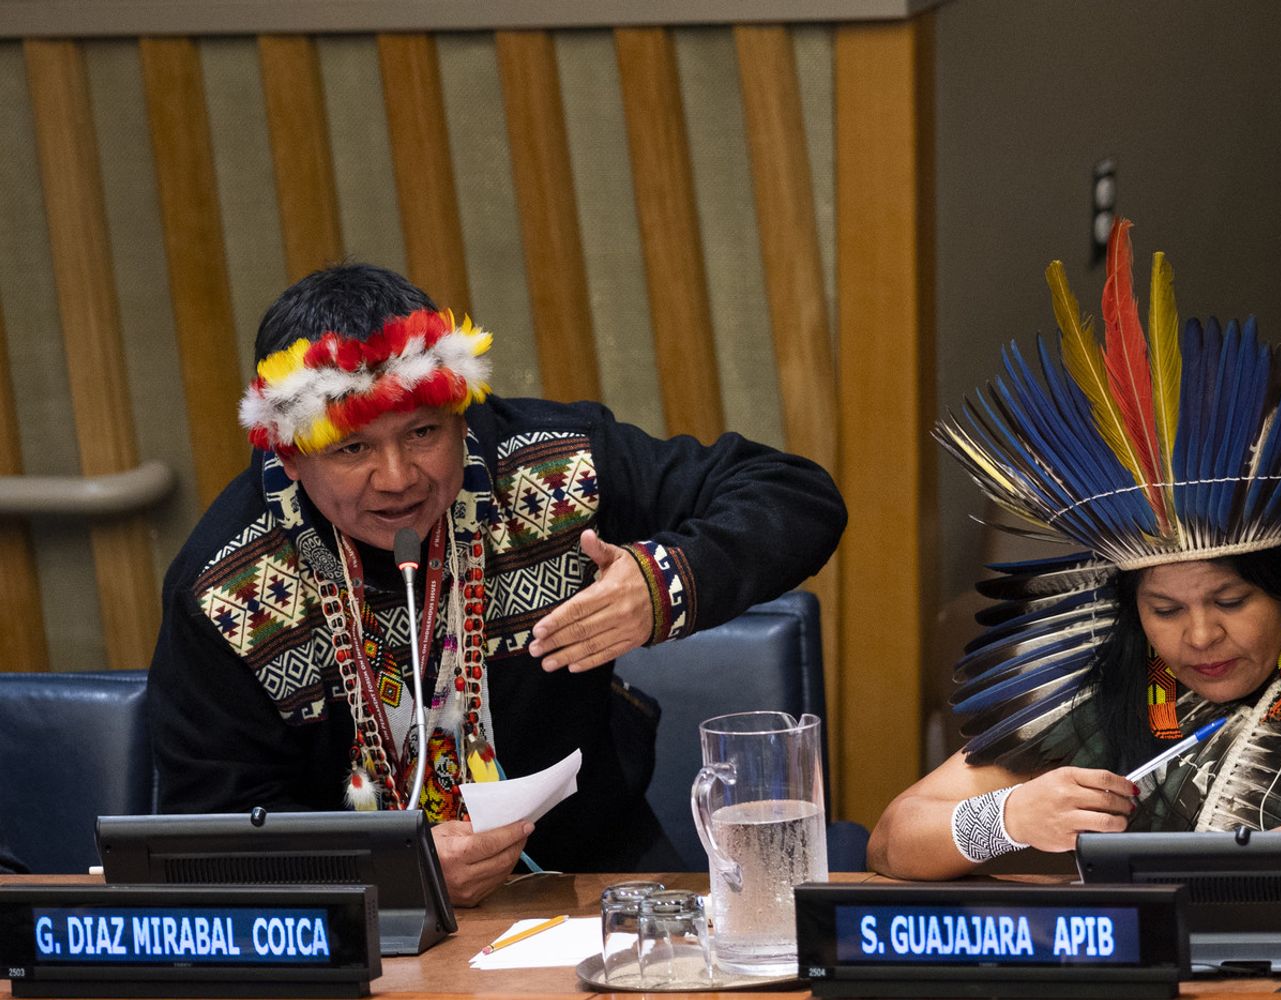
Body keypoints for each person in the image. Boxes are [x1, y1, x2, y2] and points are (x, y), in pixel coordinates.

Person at [149, 263, 846, 905]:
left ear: (461, 413)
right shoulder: (224, 586)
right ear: (291, 456)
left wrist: (661, 578)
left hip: (593, 864)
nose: (397, 479)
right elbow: (204, 839)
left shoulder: (553, 463)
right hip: (358, 911)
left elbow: (796, 495)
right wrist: (393, 866)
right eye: (353, 448)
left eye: (424, 433)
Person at [870, 220, 1281, 881]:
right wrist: (1007, 817)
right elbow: (889, 841)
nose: (1201, 635)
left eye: (1231, 599)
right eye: (1165, 609)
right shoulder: (1101, 695)